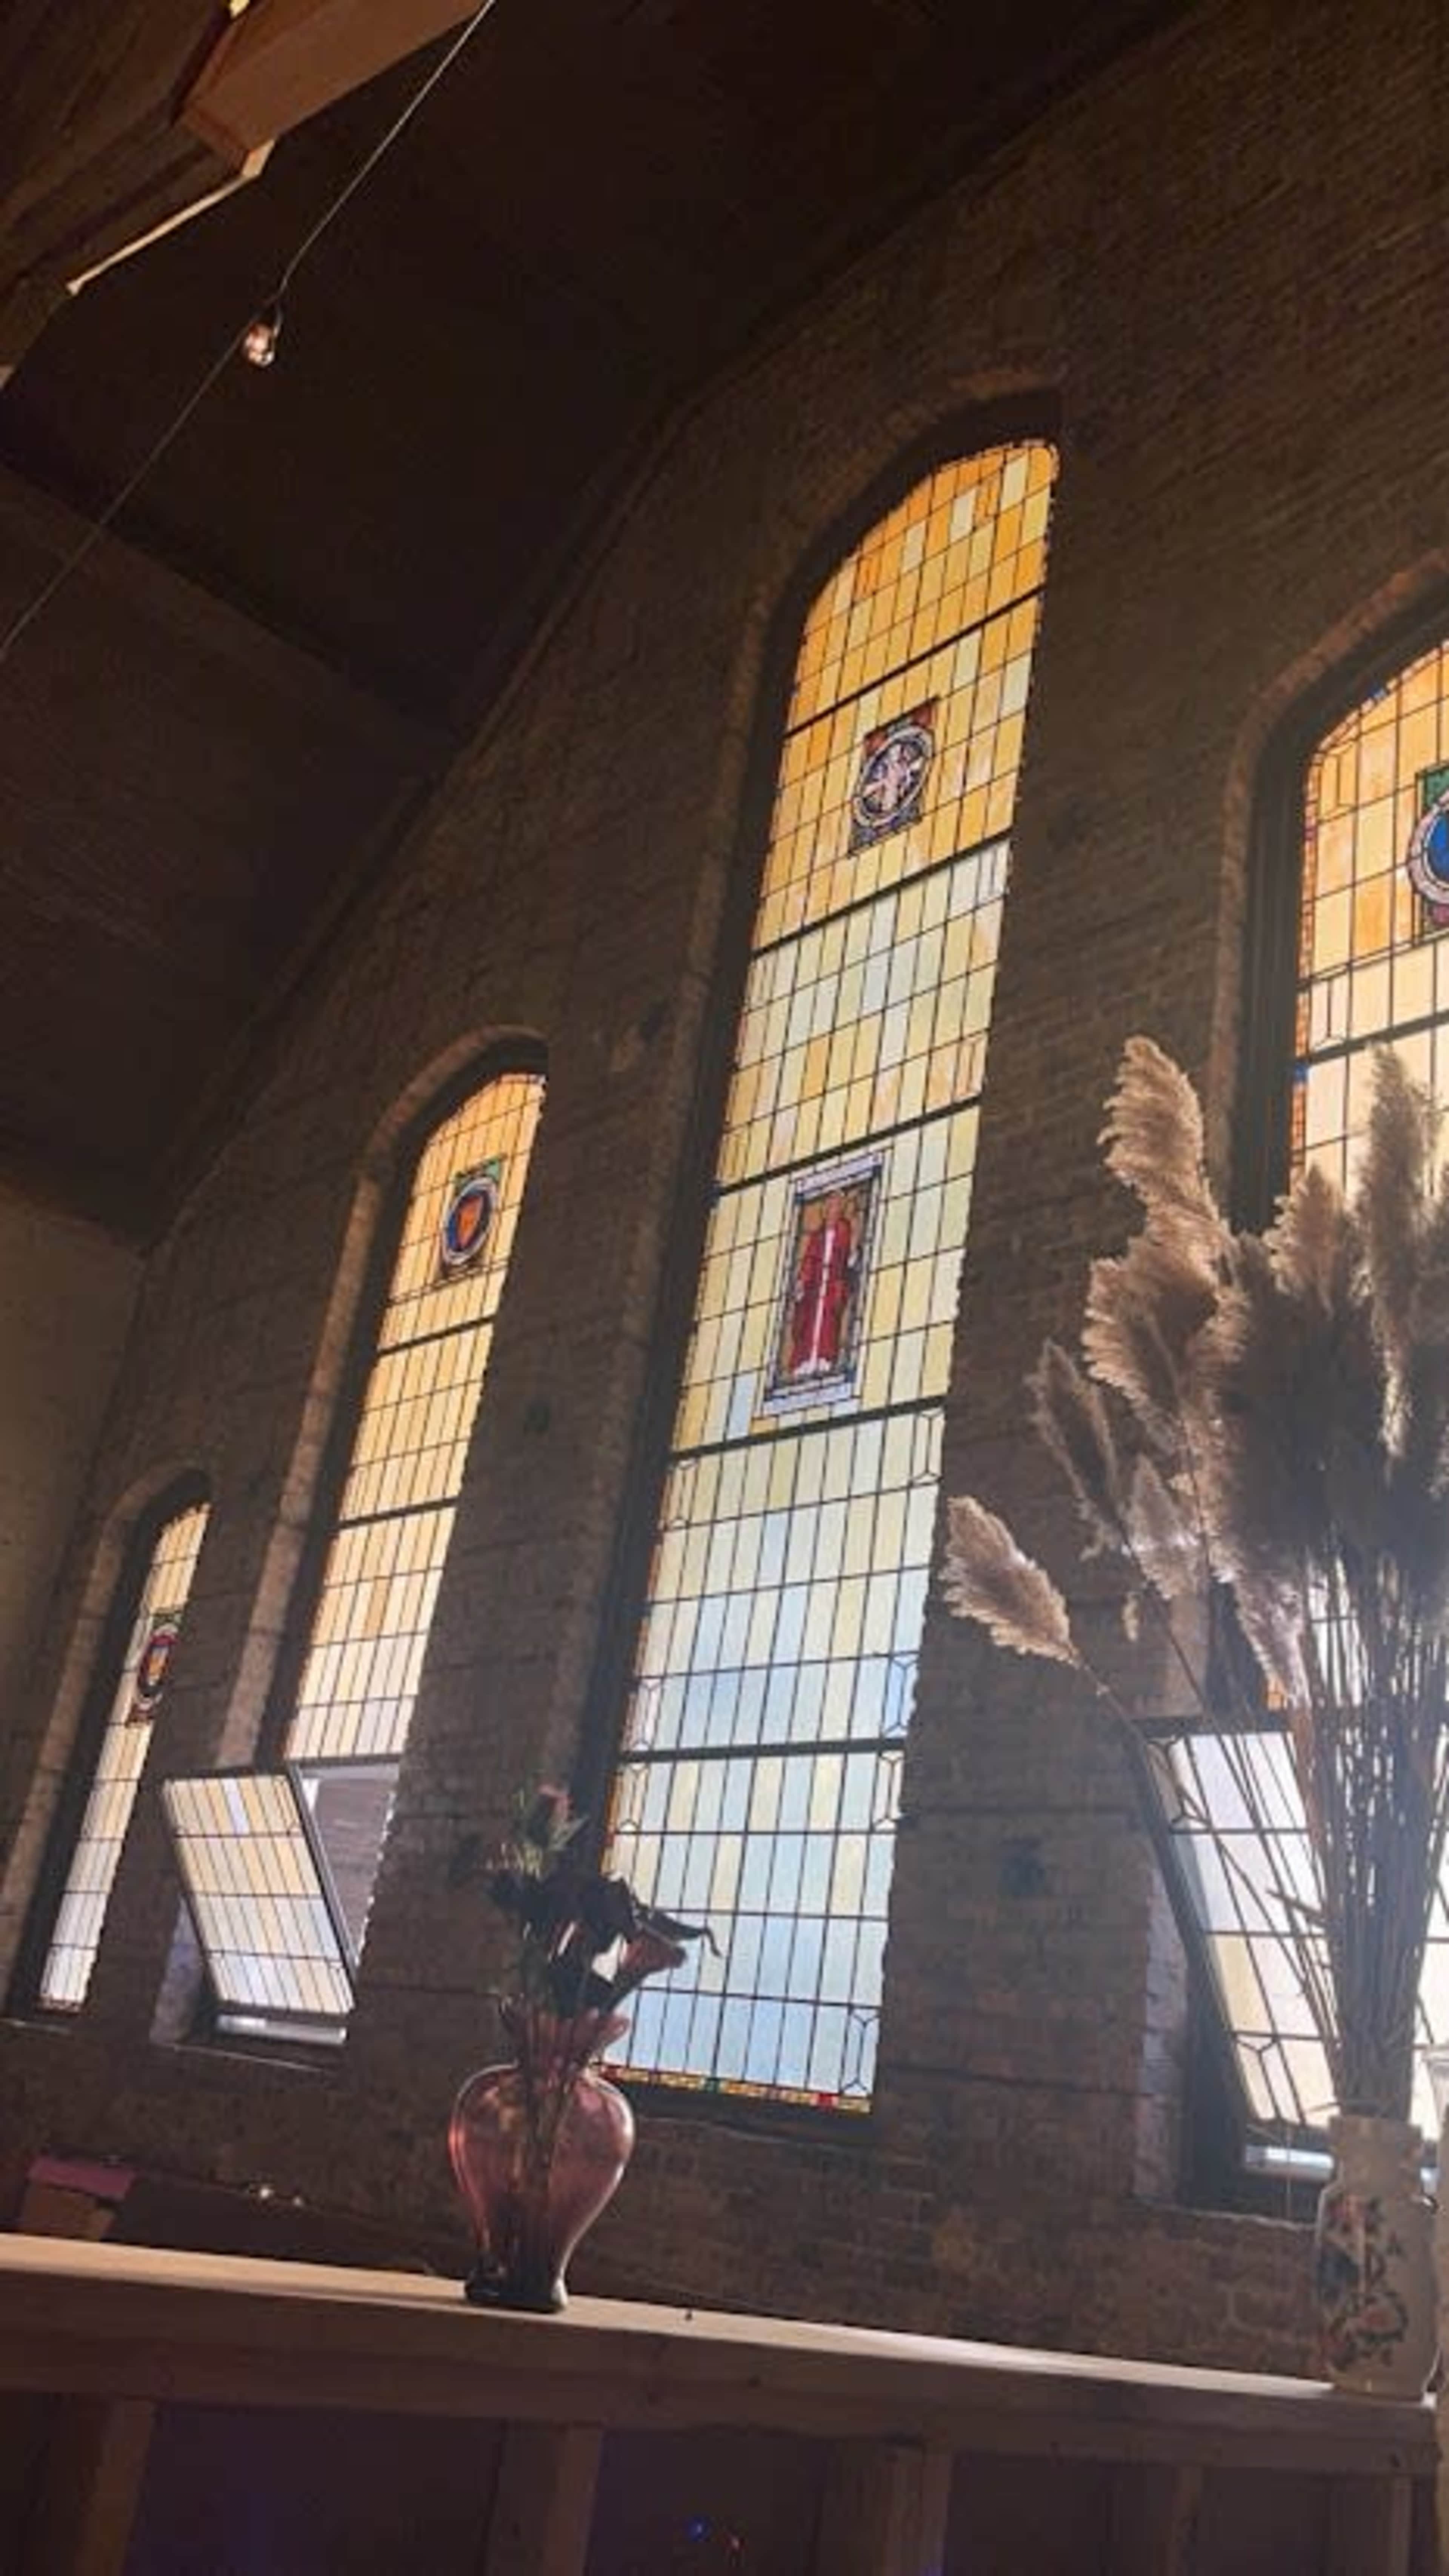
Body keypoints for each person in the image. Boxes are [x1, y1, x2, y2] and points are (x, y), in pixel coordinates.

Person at [786, 1189, 856, 1380]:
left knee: (828, 1323)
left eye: (836, 1206)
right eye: (829, 1206)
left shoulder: (845, 1228)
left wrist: (851, 1261)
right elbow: (809, 1260)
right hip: (816, 1285)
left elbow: (848, 1255)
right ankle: (806, 1361)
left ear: (841, 1209)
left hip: (833, 1283)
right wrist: (802, 1281)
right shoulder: (818, 1235)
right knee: (809, 1322)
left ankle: (825, 1359)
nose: (831, 1210)